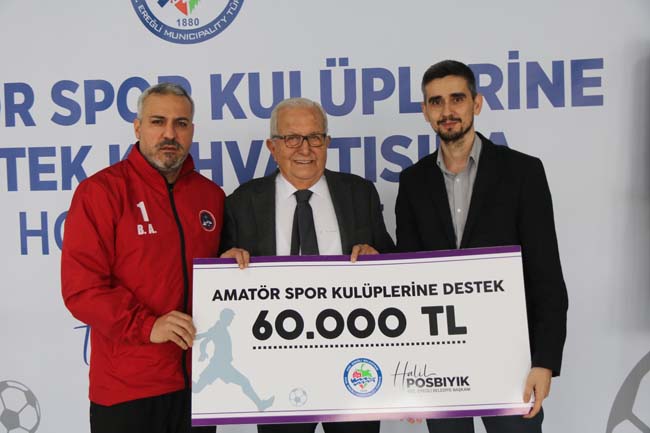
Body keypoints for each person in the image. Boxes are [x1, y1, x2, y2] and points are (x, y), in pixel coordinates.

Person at [395, 60, 568, 433]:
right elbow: (408, 282)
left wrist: (544, 361)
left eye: (457, 98)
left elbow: (546, 276)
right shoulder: (412, 183)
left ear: (476, 103)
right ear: (425, 111)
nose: (447, 110)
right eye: (436, 101)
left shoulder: (523, 173)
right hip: (440, 364)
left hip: (512, 360)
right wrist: (410, 375)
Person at [220, 97, 395, 433]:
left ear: (327, 142)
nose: (305, 149)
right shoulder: (242, 202)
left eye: (315, 137)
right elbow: (224, 284)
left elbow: (393, 266)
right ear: (272, 146)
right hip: (276, 370)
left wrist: (378, 259)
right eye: (291, 138)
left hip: (353, 365)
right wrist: (224, 267)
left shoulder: (360, 193)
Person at [61, 83, 224, 433]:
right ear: (138, 128)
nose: (170, 134)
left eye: (181, 123)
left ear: (192, 130)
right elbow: (82, 290)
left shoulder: (210, 196)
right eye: (157, 121)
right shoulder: (101, 192)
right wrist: (148, 326)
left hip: (200, 387)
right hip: (127, 390)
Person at [193, 308, 274, 411]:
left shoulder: (221, 328)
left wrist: (203, 352)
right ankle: (260, 404)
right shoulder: (217, 329)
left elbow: (204, 339)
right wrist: (202, 352)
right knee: (244, 382)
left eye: (231, 318)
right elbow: (204, 340)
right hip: (219, 366)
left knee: (244, 382)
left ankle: (260, 404)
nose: (231, 320)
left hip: (221, 366)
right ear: (225, 317)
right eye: (230, 318)